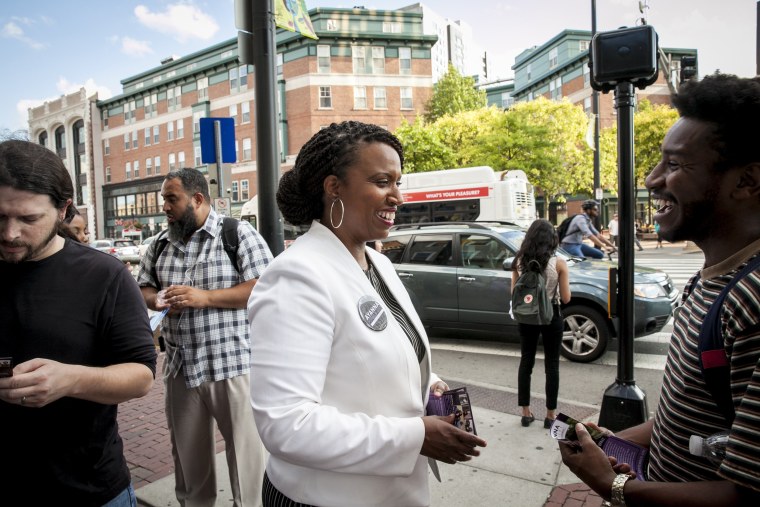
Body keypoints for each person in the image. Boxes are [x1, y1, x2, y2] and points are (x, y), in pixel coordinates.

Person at [248, 121, 487, 507]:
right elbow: (286, 425)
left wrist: (429, 385)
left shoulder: (379, 262)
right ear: (333, 187)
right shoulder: (295, 276)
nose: (398, 196)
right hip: (324, 498)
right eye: (382, 182)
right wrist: (416, 436)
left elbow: (376, 354)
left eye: (398, 182)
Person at [559, 74, 760, 506]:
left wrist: (614, 487)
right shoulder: (709, 280)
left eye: (675, 164)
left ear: (747, 181)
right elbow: (692, 415)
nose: (651, 180)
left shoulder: (753, 301)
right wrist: (614, 441)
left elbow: (745, 493)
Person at [0, 140, 157, 505]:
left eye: (28, 219)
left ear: (63, 209)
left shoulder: (104, 275)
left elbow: (141, 375)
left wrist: (71, 379)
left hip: (88, 489)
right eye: (0, 217)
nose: (9, 234)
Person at [138, 168, 273, 507]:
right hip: (181, 367)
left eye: (172, 199)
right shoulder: (159, 244)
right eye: (164, 199)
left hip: (233, 365)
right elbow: (143, 288)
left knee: (248, 461)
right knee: (188, 461)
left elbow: (265, 287)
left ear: (197, 199)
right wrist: (158, 299)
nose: (165, 207)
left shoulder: (238, 234)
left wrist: (204, 297)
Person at [511, 219, 571, 429]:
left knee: (526, 361)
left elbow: (513, 294)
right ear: (551, 239)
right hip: (551, 316)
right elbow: (566, 298)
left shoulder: (519, 261)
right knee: (552, 365)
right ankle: (550, 415)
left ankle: (526, 413)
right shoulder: (559, 263)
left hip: (526, 316)